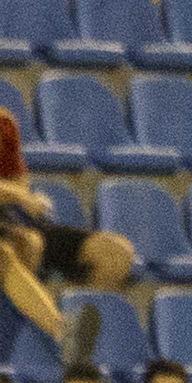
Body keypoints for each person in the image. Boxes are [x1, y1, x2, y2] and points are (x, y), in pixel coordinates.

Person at [0, 108, 135, 296]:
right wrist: (17, 195)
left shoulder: (4, 123)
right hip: (11, 235)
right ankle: (39, 322)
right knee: (29, 243)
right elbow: (17, 193)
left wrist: (27, 197)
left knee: (115, 253)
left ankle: (76, 315)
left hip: (18, 221)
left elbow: (19, 185)